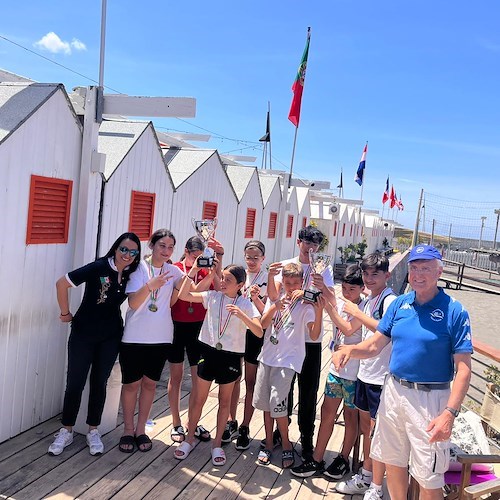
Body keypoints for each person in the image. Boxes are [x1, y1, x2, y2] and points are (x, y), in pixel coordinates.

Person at [333, 244, 472, 500]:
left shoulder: (454, 310)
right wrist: (348, 351)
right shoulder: (400, 304)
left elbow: (463, 368)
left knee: (428, 476)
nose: (418, 274)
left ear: (439, 271)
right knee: (393, 461)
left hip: (430, 400)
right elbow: (375, 344)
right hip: (393, 392)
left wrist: (449, 414)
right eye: (414, 268)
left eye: (426, 269)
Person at [49, 232, 141, 456]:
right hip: (83, 333)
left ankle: (93, 430)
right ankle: (67, 430)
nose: (127, 255)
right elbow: (62, 284)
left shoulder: (132, 274)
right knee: (75, 382)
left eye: (132, 252)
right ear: (115, 248)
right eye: (123, 249)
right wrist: (65, 313)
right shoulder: (99, 267)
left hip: (110, 336)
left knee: (100, 382)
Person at [173, 264, 263, 466]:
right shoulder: (212, 297)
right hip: (208, 352)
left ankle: (216, 444)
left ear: (240, 284)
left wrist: (242, 316)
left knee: (224, 403)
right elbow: (184, 295)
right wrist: (193, 271)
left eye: (228, 280)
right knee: (198, 399)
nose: (222, 282)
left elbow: (258, 331)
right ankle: (189, 440)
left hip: (231, 358)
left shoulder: (246, 304)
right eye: (221, 277)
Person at [330, 252, 396, 499]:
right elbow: (350, 329)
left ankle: (375, 485)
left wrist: (356, 312)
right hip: (365, 373)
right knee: (367, 429)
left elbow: (386, 330)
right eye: (366, 274)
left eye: (374, 274)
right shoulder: (369, 301)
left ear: (387, 275)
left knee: (376, 433)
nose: (368, 279)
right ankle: (367, 477)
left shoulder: (390, 301)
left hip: (381, 377)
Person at [291, 263, 366, 479]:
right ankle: (316, 458)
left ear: (362, 289)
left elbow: (347, 328)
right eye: (344, 289)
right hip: (336, 371)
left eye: (352, 290)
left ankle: (343, 457)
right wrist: (321, 282)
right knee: (326, 414)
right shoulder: (341, 302)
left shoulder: (362, 309)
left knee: (351, 418)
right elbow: (328, 296)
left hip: (354, 374)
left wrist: (330, 308)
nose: (347, 293)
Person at [267, 225, 334, 459]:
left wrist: (320, 285)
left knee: (308, 392)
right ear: (299, 242)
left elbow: (330, 300)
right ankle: (280, 431)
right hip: (285, 337)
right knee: (284, 390)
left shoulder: (324, 269)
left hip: (311, 339)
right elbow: (274, 296)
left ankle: (306, 438)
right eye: (307, 243)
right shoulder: (286, 265)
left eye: (315, 245)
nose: (311, 249)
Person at [118, 229, 186, 453]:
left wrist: (203, 264)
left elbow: (191, 289)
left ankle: (140, 430)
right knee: (131, 385)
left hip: (161, 338)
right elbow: (134, 304)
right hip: (135, 337)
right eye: (162, 246)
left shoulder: (174, 270)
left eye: (170, 247)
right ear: (152, 246)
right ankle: (127, 430)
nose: (166, 251)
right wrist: (150, 285)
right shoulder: (138, 268)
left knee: (149, 384)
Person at [254, 263, 324, 469]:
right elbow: (263, 325)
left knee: (278, 405)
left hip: (288, 362)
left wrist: (319, 312)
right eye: (287, 282)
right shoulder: (275, 299)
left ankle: (286, 444)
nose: (291, 287)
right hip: (266, 357)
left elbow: (313, 333)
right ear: (282, 282)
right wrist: (275, 305)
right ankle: (268, 443)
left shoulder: (305, 306)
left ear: (302, 283)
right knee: (266, 406)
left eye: (295, 283)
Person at [168, 236, 223, 444]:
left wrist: (215, 269)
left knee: (198, 379)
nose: (197, 259)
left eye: (200, 256)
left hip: (198, 327)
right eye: (193, 255)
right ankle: (176, 422)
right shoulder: (176, 268)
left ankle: (193, 422)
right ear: (185, 251)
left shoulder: (205, 269)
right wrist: (194, 273)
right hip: (175, 326)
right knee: (176, 376)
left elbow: (218, 290)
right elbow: (185, 293)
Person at [223, 240, 268, 450]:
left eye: (255, 258)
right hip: (234, 331)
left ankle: (245, 426)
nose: (251, 261)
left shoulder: (269, 279)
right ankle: (231, 420)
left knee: (250, 381)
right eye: (248, 257)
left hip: (254, 334)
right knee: (233, 379)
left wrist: (257, 297)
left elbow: (267, 313)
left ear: (263, 259)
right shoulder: (238, 273)